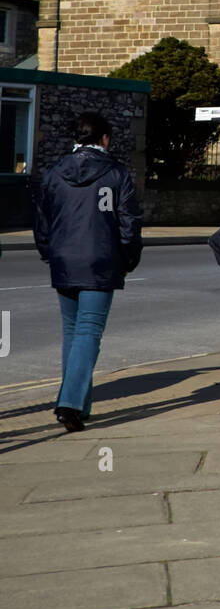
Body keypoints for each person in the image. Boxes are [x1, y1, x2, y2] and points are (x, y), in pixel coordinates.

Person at [33, 111, 142, 432]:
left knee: (73, 332)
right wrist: (128, 258)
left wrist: (48, 252)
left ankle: (82, 405)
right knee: (88, 332)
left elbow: (43, 221)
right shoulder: (117, 174)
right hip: (100, 261)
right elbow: (129, 223)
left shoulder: (54, 174)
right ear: (104, 139)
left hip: (64, 260)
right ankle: (69, 404)